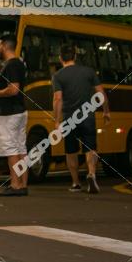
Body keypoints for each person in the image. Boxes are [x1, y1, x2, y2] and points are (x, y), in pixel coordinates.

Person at [52, 44, 110, 193]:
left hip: (69, 119)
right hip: (87, 116)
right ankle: (91, 173)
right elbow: (101, 93)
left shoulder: (58, 76)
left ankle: (76, 183)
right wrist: (106, 111)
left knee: (71, 150)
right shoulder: (88, 72)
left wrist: (57, 120)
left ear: (60, 58)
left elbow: (58, 99)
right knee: (90, 147)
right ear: (75, 57)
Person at [0, 34, 28, 196]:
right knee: (20, 148)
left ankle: (15, 185)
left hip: (9, 113)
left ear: (3, 45)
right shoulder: (17, 64)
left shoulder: (11, 65)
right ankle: (23, 184)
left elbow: (13, 89)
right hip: (19, 111)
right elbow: (5, 81)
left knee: (11, 149)